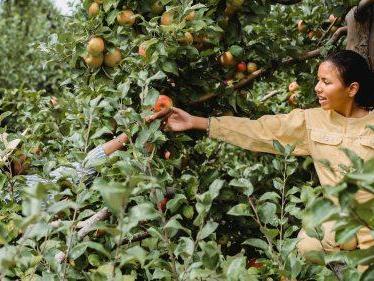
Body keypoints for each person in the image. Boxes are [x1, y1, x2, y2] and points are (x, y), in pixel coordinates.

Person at [146, 50, 374, 261]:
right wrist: (197, 122)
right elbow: (260, 130)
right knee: (308, 245)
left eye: (326, 82)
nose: (317, 87)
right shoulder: (311, 121)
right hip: (336, 222)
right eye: (318, 80)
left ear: (351, 89)